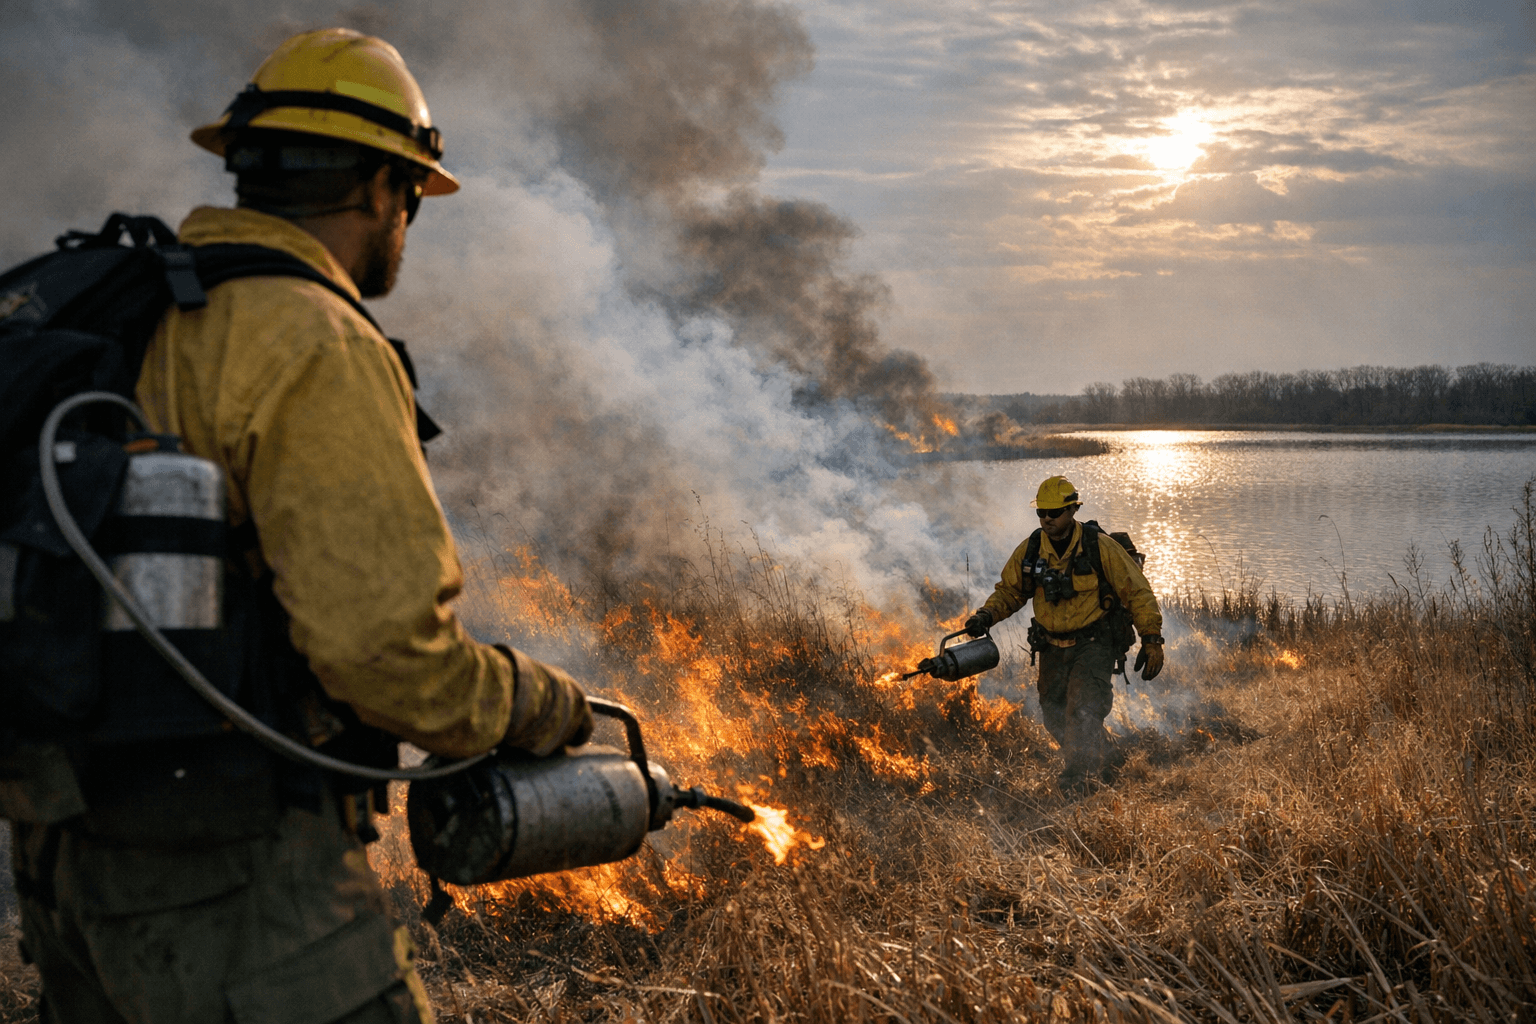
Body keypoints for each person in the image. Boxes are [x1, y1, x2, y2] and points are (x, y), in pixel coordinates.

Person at [10, 29, 592, 1022]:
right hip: (236, 876)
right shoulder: (312, 336)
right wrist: (540, 702)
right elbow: (384, 656)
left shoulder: (132, 309)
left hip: (69, 858)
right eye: (411, 194)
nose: (407, 221)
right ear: (380, 188)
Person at [964, 475, 1164, 794]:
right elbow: (1011, 591)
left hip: (1094, 646)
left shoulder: (1099, 547)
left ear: (1073, 510)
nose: (1046, 519)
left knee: (1083, 714)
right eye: (1041, 513)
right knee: (1054, 718)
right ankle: (1110, 757)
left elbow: (1136, 592)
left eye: (1054, 513)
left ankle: (1078, 790)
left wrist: (1152, 638)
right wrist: (986, 615)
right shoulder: (1031, 550)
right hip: (1052, 649)